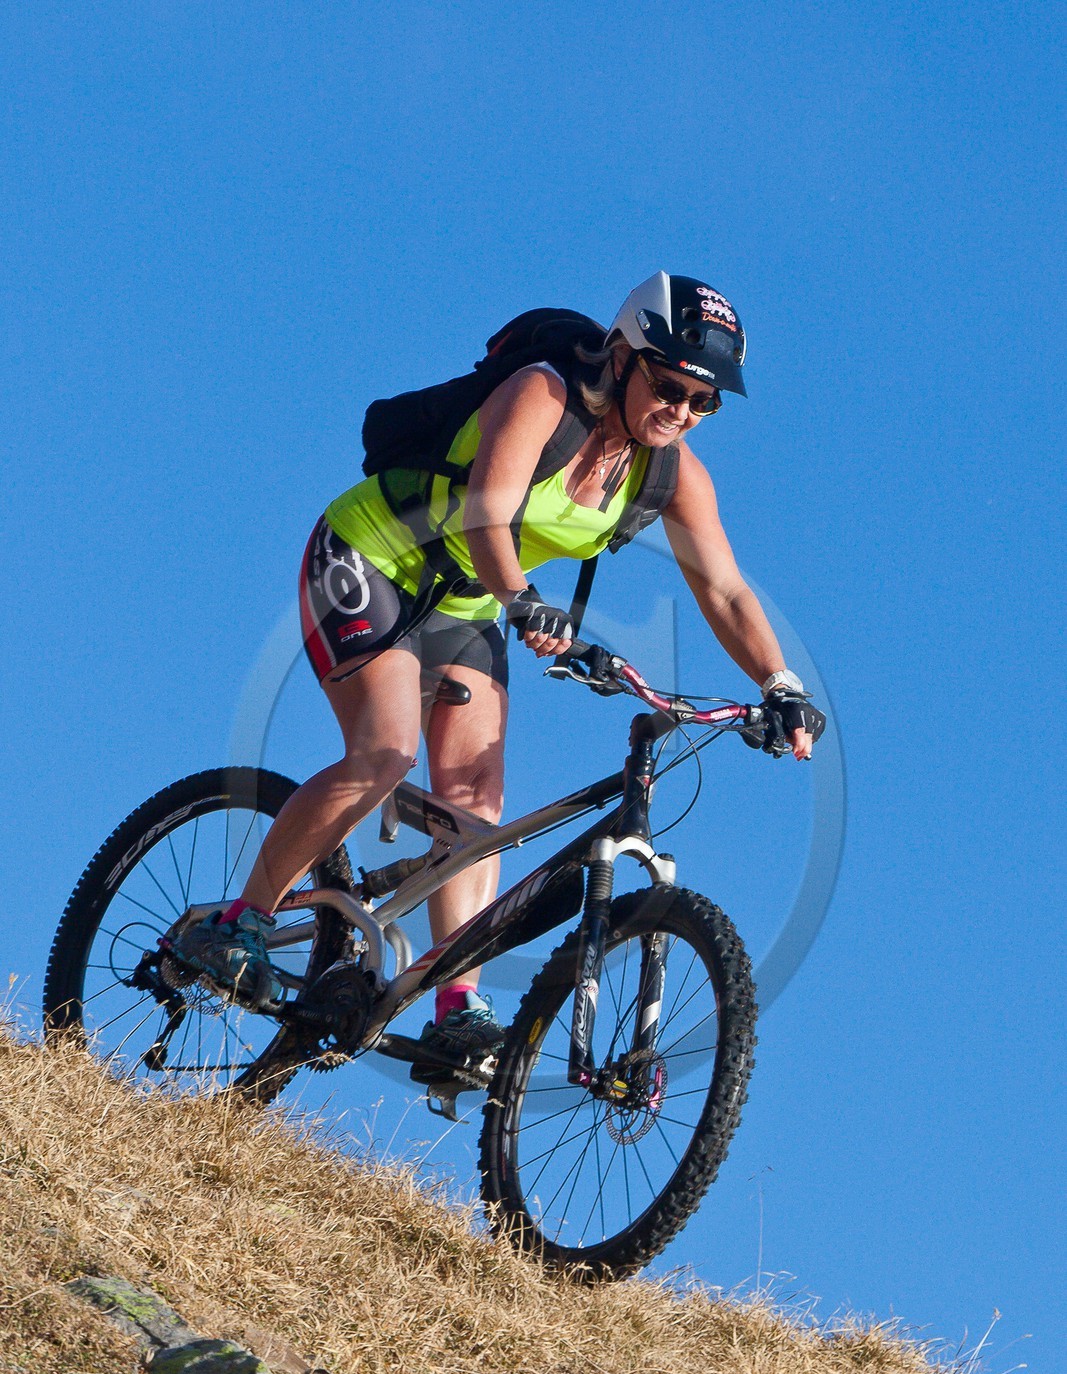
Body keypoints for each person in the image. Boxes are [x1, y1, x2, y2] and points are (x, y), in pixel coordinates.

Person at [177, 271, 819, 1058]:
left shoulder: (670, 473)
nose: (680, 412)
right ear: (621, 356)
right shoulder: (541, 394)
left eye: (702, 402)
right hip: (374, 557)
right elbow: (489, 509)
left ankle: (455, 1004)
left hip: (468, 607)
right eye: (669, 386)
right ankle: (239, 922)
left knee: (477, 812)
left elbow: (723, 589)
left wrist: (778, 684)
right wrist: (522, 600)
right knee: (384, 751)